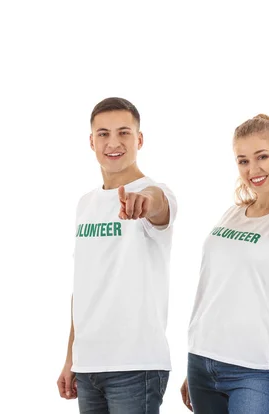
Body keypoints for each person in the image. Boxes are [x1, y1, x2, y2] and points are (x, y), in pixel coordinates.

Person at [179, 114, 269, 414]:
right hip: (201, 363)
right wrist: (194, 363)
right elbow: (213, 288)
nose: (252, 169)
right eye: (243, 161)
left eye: (262, 156)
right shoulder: (233, 213)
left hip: (251, 371)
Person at [56, 97, 177, 413]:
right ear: (91, 141)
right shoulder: (85, 205)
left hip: (135, 366)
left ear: (139, 139)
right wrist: (72, 356)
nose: (113, 142)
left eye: (123, 133)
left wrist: (145, 202)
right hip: (88, 365)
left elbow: (159, 204)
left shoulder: (156, 192)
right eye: (103, 134)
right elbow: (83, 287)